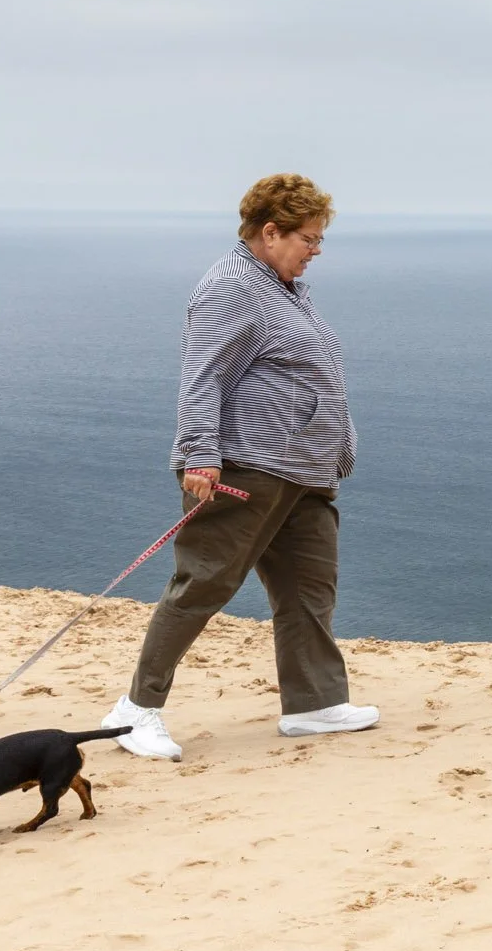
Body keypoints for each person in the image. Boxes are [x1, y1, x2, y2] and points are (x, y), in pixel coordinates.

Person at [101, 174, 378, 759]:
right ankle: (136, 711)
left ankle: (315, 704)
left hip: (304, 472)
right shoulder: (232, 288)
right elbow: (203, 376)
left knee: (309, 589)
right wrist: (199, 455)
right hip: (246, 469)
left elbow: (312, 372)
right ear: (270, 231)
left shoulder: (282, 286)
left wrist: (339, 443)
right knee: (203, 583)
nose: (317, 249)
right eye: (309, 237)